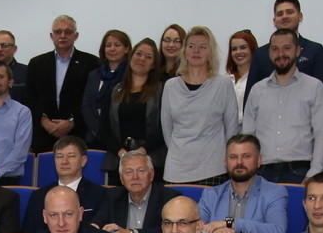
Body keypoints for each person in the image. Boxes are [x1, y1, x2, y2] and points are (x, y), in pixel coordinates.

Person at [242, 30, 323, 184]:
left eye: (287, 48)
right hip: (262, 173)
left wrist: (314, 173)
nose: (280, 54)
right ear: (269, 53)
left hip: (300, 172)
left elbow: (322, 134)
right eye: (275, 49)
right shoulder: (257, 90)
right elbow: (248, 135)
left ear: (298, 51)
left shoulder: (314, 87)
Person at [160, 25, 239, 185]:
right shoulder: (171, 86)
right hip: (176, 171)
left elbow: (231, 130)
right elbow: (167, 131)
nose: (196, 51)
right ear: (184, 52)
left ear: (210, 53)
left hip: (213, 169)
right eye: (191, 46)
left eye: (202, 47)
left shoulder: (223, 85)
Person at [25, 15, 101, 154]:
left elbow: (93, 100)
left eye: (68, 31)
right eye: (58, 32)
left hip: (78, 133)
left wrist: (72, 122)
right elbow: (29, 98)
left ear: (76, 35)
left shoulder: (92, 63)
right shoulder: (37, 63)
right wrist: (44, 121)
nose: (63, 35)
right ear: (51, 36)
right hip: (44, 135)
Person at [198, 133, 290, 233]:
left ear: (259, 160)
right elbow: (194, 229)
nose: (239, 162)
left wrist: (231, 224)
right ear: (225, 162)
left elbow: (276, 232)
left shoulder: (274, 192)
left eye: (246, 156)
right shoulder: (211, 195)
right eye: (233, 157)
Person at [97, 38, 165, 182]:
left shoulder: (162, 91)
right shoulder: (115, 90)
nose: (142, 59)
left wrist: (142, 152)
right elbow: (103, 129)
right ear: (131, 57)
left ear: (153, 64)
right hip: (119, 160)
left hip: (151, 160)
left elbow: (165, 127)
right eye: (139, 54)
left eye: (148, 57)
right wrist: (122, 154)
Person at [247, 0, 323, 101]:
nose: (284, 16)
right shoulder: (260, 54)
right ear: (274, 21)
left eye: (289, 12)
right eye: (280, 14)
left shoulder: (315, 50)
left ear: (300, 16)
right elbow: (250, 97)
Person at [24, 135, 108, 232]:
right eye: (60, 156)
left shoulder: (100, 194)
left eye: (71, 156)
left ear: (83, 160)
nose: (64, 161)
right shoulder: (38, 196)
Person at [100, 148, 177, 233]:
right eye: (129, 172)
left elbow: (168, 231)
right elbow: (98, 221)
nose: (135, 177)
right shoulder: (113, 196)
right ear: (121, 178)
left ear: (151, 174)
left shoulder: (169, 198)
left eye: (141, 171)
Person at [80, 28, 131, 148]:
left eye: (117, 45)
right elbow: (86, 105)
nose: (112, 49)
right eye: (108, 45)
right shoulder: (94, 74)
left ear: (127, 49)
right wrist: (98, 131)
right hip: (94, 136)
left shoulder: (130, 75)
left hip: (120, 138)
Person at [227, 28, 259, 112]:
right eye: (234, 49)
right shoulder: (225, 80)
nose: (238, 52)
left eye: (243, 48)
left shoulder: (261, 80)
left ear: (252, 49)